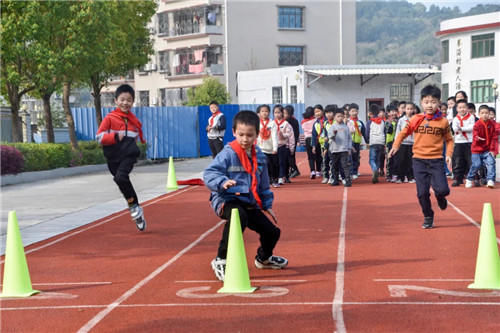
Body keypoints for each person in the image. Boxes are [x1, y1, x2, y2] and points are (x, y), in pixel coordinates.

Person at [203, 110, 288, 281]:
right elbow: (209, 173)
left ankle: (263, 258)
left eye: (249, 135)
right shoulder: (228, 153)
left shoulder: (260, 157)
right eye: (241, 134)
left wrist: (266, 205)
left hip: (248, 201)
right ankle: (221, 259)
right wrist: (222, 182)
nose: (245, 139)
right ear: (234, 132)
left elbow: (263, 184)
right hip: (226, 200)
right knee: (238, 216)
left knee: (272, 232)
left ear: (257, 135)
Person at [388, 85, 454, 229]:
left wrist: (448, 155)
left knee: (443, 190)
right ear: (421, 103)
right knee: (422, 193)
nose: (430, 105)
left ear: (438, 103)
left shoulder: (443, 122)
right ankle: (428, 216)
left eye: (433, 102)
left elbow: (449, 140)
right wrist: (395, 146)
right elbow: (403, 133)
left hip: (436, 160)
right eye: (426, 102)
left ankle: (440, 197)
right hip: (419, 160)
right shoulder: (416, 119)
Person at [96, 84, 147, 231]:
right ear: (116, 101)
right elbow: (99, 138)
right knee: (121, 181)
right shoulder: (109, 119)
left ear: (133, 102)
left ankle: (134, 209)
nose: (126, 103)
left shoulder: (134, 121)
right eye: (122, 99)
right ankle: (134, 205)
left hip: (128, 156)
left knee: (121, 178)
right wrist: (114, 137)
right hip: (113, 156)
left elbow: (136, 138)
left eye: (129, 100)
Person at [465, 105, 498, 189]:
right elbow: (475, 135)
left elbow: (494, 137)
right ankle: (469, 178)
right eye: (482, 113)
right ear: (479, 114)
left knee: (491, 162)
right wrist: (477, 138)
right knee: (476, 165)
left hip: (487, 150)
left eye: (486, 113)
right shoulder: (477, 125)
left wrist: (492, 149)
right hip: (477, 150)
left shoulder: (491, 124)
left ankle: (490, 180)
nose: (485, 115)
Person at [327, 107, 353, 187]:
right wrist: (333, 135)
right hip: (334, 150)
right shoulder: (332, 127)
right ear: (334, 117)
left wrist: (349, 148)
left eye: (342, 116)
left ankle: (348, 180)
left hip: (343, 149)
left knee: (345, 165)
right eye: (338, 116)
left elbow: (349, 138)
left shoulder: (345, 127)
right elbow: (330, 136)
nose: (340, 118)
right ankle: (335, 180)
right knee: (334, 166)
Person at [451, 99, 474, 187]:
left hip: (469, 142)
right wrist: (463, 128)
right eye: (460, 107)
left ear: (467, 108)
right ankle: (458, 178)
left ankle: (473, 178)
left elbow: (472, 127)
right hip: (458, 142)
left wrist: (462, 129)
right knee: (458, 161)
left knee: (470, 161)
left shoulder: (471, 117)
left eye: (464, 107)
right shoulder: (455, 118)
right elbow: (455, 129)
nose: (462, 109)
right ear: (457, 109)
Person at [256, 104, 279, 187]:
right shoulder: (257, 123)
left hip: (271, 149)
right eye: (262, 111)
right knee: (265, 165)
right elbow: (256, 136)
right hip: (261, 148)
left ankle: (274, 179)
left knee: (274, 165)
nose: (264, 113)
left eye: (266, 111)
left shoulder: (272, 123)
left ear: (269, 113)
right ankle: (268, 180)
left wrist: (275, 148)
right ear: (259, 113)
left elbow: (274, 136)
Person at [395, 102, 416, 183]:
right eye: (408, 109)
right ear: (404, 110)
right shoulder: (401, 120)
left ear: (414, 110)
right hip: (403, 143)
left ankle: (410, 177)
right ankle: (400, 177)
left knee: (410, 161)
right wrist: (397, 141)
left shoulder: (415, 119)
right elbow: (398, 132)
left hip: (412, 143)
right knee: (401, 160)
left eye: (411, 109)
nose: (409, 111)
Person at [274, 105, 295, 185]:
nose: (277, 114)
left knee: (282, 162)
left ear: (282, 113)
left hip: (283, 146)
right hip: (274, 147)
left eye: (279, 112)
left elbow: (291, 136)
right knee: (274, 163)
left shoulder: (286, 124)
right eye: (275, 112)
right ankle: (274, 177)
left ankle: (281, 177)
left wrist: (291, 148)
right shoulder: (272, 123)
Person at [366, 104, 386, 184]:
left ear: (371, 113)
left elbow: (367, 132)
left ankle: (374, 169)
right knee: (378, 159)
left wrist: (367, 141)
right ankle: (376, 172)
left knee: (371, 159)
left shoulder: (369, 122)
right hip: (381, 142)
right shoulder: (383, 122)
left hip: (373, 142)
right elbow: (384, 132)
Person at [347, 103, 367, 179]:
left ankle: (355, 172)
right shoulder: (347, 122)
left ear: (358, 112)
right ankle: (350, 172)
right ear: (349, 112)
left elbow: (364, 133)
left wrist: (367, 141)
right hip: (349, 143)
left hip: (357, 142)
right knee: (349, 158)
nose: (354, 113)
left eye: (355, 111)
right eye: (352, 111)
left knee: (356, 158)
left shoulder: (360, 123)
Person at [284, 105, 300, 178]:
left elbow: (296, 132)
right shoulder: (283, 121)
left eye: (286, 113)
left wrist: (295, 141)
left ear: (290, 114)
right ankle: (291, 171)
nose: (284, 115)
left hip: (292, 141)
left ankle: (295, 170)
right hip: (284, 141)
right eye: (283, 113)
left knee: (290, 156)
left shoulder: (293, 121)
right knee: (288, 157)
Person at [321, 105, 336, 184]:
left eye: (330, 112)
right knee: (325, 161)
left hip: (335, 145)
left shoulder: (336, 122)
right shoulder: (325, 123)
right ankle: (326, 176)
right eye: (326, 113)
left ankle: (333, 177)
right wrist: (325, 147)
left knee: (333, 162)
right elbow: (325, 135)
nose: (328, 114)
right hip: (327, 145)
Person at [301, 106, 317, 179]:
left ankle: (312, 170)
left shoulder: (303, 121)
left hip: (307, 138)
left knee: (310, 156)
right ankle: (318, 170)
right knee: (317, 155)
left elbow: (304, 129)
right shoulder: (315, 120)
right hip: (315, 138)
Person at [311, 104, 325, 179]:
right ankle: (319, 170)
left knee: (326, 158)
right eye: (315, 112)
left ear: (322, 111)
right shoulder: (315, 123)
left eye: (319, 111)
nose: (317, 113)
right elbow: (313, 135)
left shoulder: (326, 121)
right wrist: (313, 145)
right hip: (319, 142)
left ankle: (327, 171)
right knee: (318, 157)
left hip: (327, 143)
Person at [385, 104, 398, 182]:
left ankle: (395, 174)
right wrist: (391, 123)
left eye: (395, 111)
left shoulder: (398, 121)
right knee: (389, 159)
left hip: (396, 142)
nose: (394, 113)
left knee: (396, 159)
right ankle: (389, 175)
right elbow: (388, 131)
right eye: (392, 111)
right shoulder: (387, 122)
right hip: (389, 142)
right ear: (388, 113)